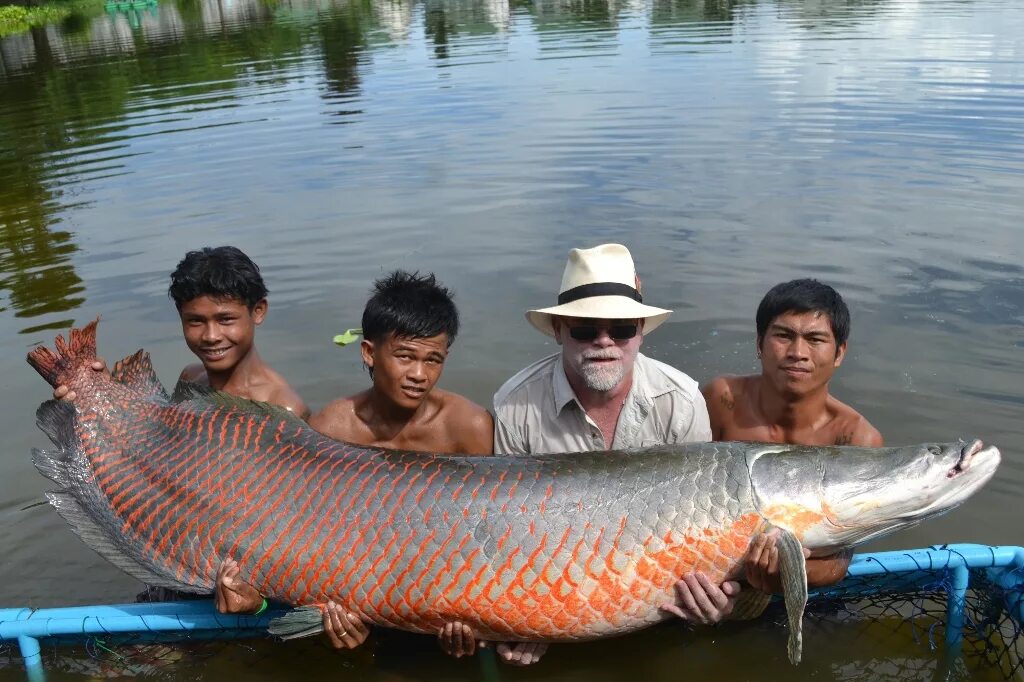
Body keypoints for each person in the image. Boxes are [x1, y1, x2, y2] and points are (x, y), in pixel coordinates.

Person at [216, 270, 494, 654]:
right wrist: (329, 603)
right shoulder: (332, 427)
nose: (419, 374)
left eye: (433, 360)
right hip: (356, 584)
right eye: (405, 356)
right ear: (368, 352)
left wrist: (471, 614)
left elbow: (482, 532)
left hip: (438, 589)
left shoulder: (468, 426)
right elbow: (304, 527)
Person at [482, 243, 730, 665]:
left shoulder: (682, 400)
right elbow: (511, 534)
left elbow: (701, 520)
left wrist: (719, 592)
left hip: (659, 590)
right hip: (556, 582)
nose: (603, 342)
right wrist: (518, 615)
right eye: (584, 330)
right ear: (559, 331)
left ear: (640, 330)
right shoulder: (515, 405)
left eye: (620, 328)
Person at [702, 278, 884, 592]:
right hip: (709, 567)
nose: (797, 352)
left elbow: (838, 560)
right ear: (759, 344)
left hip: (795, 587)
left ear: (839, 353)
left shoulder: (856, 439)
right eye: (784, 336)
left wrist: (789, 570)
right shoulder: (723, 400)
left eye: (815, 339)